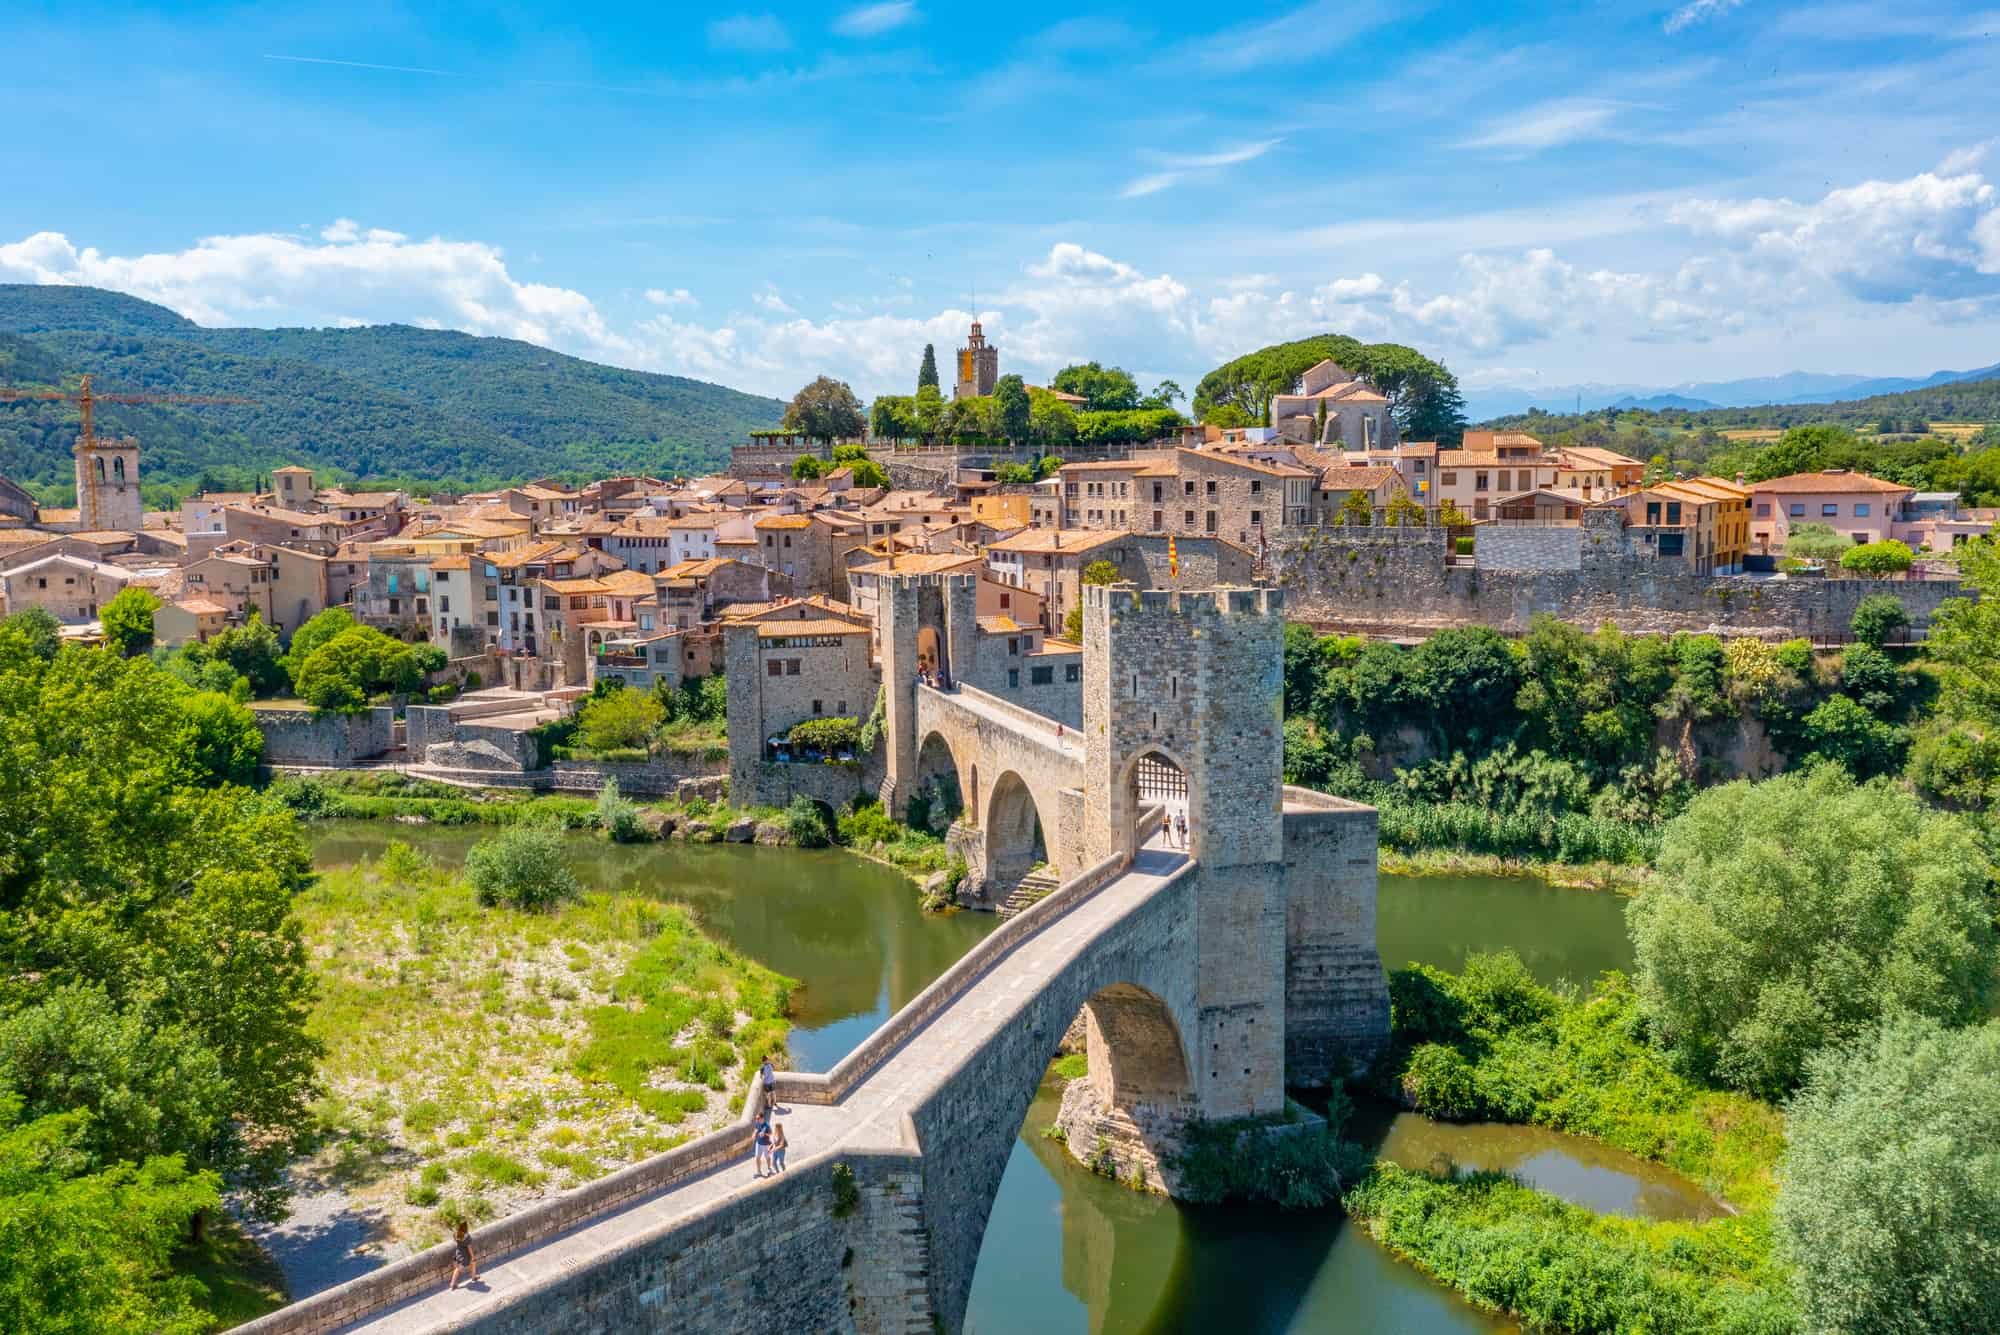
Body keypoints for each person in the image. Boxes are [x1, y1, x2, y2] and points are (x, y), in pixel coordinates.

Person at [448, 1220, 478, 1291]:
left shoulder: (456, 1234)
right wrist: (473, 1257)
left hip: (458, 1253)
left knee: (459, 1268)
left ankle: (474, 1277)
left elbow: (455, 1241)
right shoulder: (466, 1236)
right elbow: (469, 1248)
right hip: (465, 1256)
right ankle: (452, 1284)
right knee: (461, 1268)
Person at [753, 1112, 772, 1178]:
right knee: (757, 1158)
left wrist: (765, 1134)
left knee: (767, 1157)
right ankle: (759, 1171)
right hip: (758, 1143)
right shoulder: (757, 1123)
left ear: (762, 1118)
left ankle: (769, 1169)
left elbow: (770, 1134)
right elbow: (756, 1129)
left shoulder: (767, 1125)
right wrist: (754, 1134)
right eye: (756, 1118)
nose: (757, 1120)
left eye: (758, 1118)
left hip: (766, 1144)